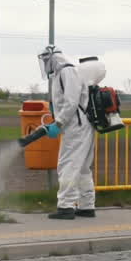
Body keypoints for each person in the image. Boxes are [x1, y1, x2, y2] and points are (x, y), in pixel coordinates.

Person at [38, 46, 96, 219]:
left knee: (68, 164)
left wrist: (59, 122)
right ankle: (87, 206)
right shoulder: (63, 72)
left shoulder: (67, 72)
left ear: (53, 58)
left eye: (47, 61)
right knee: (83, 167)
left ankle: (65, 206)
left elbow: (71, 101)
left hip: (76, 126)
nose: (45, 65)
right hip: (80, 125)